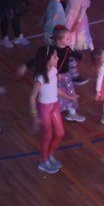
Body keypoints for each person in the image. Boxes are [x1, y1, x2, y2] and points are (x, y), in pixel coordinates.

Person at [29, 46, 70, 174]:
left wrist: (67, 95)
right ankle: (43, 161)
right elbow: (32, 97)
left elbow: (53, 87)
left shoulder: (54, 70)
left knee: (60, 133)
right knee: (47, 136)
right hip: (44, 108)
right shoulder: (40, 78)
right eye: (55, 57)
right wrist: (35, 117)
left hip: (54, 105)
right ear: (47, 59)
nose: (58, 58)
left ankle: (49, 154)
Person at [65, 0, 94, 84]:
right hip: (67, 20)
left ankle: (73, 75)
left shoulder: (85, 1)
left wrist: (72, 31)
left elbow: (80, 18)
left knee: (70, 48)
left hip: (75, 26)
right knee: (66, 48)